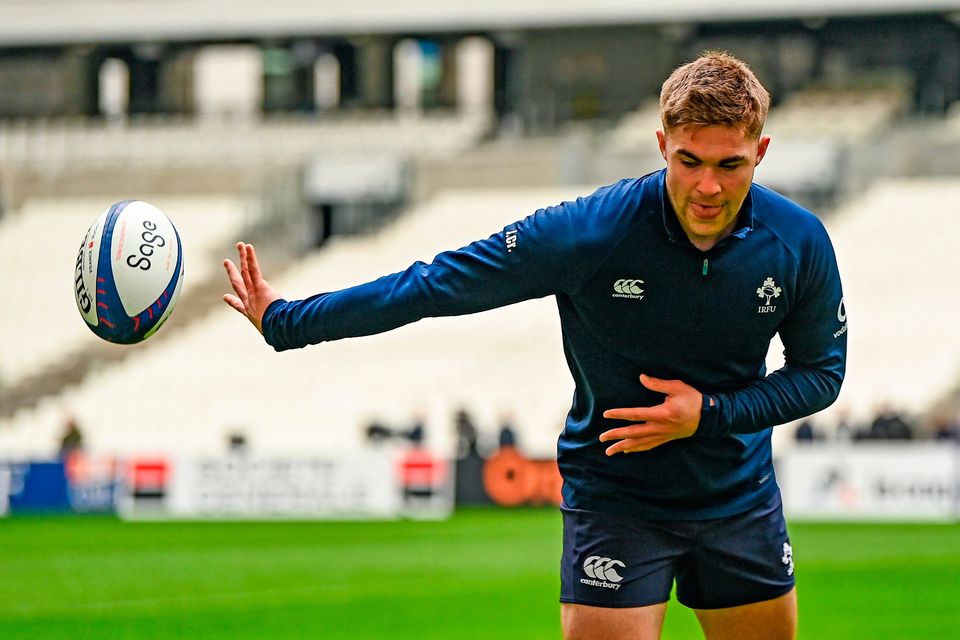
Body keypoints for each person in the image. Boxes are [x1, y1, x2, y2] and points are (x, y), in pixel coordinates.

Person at [223, 51, 847, 640]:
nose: (707, 187)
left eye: (729, 165)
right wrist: (290, 320)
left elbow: (822, 373)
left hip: (739, 499)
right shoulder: (590, 232)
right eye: (689, 161)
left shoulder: (799, 242)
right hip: (616, 499)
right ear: (661, 146)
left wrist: (709, 416)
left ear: (760, 152)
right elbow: (434, 284)